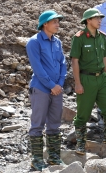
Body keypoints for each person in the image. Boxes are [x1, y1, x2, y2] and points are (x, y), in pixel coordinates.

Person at [70, 8, 106, 155]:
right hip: (86, 78)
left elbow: (105, 57)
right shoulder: (79, 37)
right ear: (88, 20)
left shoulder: (102, 36)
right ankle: (80, 143)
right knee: (83, 113)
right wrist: (77, 83)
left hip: (101, 78)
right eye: (96, 18)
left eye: (100, 18)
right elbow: (75, 61)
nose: (99, 20)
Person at [26, 10, 66, 171]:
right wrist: (51, 85)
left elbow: (63, 63)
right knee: (37, 125)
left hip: (57, 88)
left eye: (58, 21)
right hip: (41, 88)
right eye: (54, 22)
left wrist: (60, 84)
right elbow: (38, 68)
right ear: (45, 24)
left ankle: (54, 158)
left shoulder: (57, 42)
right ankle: (36, 160)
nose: (58, 24)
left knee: (55, 125)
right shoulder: (33, 42)